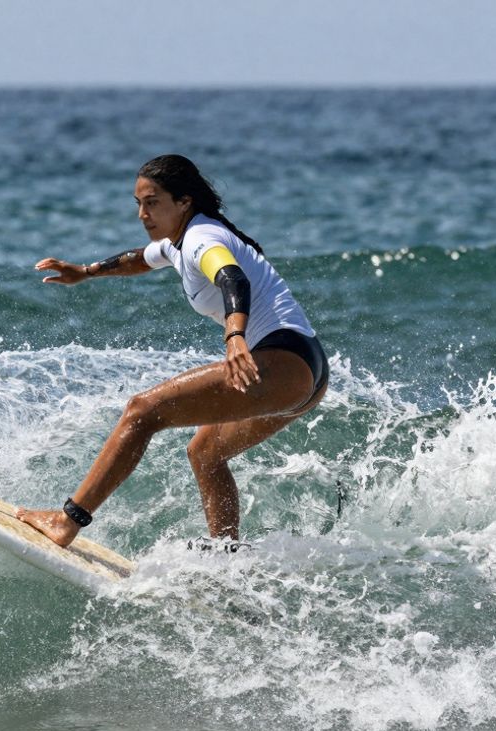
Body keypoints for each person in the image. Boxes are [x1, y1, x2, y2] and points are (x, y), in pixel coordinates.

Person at [17, 155, 328, 547]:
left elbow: (232, 278)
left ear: (184, 202)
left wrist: (234, 335)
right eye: (138, 204)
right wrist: (86, 271)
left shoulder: (202, 239)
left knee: (142, 411)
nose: (142, 214)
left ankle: (68, 520)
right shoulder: (179, 240)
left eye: (152, 203)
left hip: (283, 361)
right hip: (305, 370)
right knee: (205, 452)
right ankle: (226, 557)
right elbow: (139, 259)